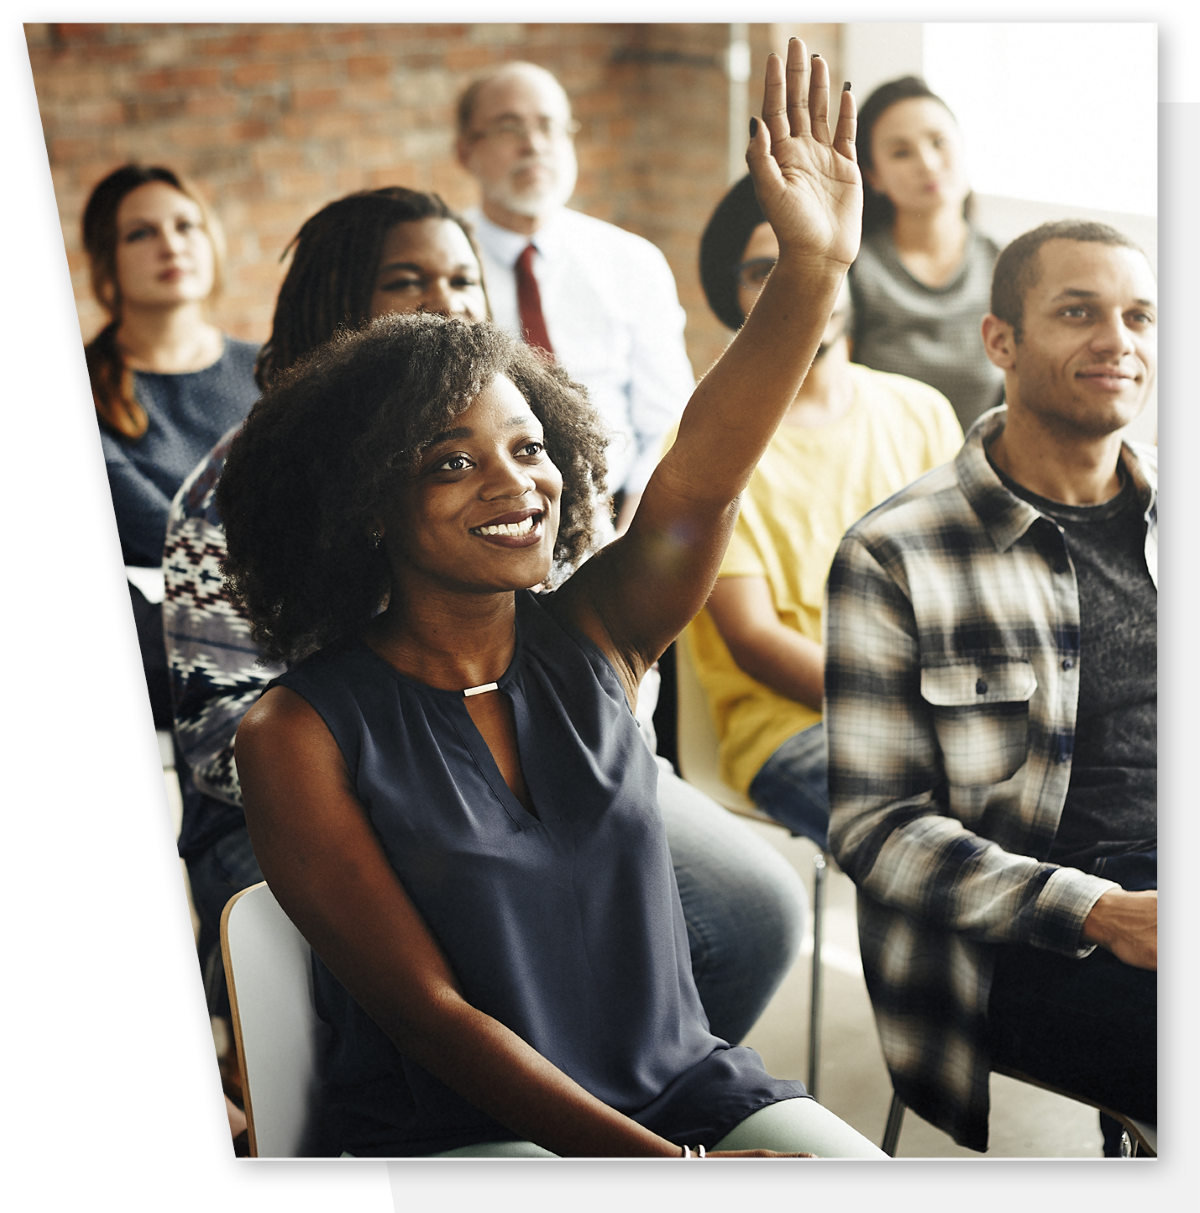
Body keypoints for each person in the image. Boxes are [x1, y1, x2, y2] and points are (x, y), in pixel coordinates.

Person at [221, 45, 885, 1158]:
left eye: (530, 448)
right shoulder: (295, 731)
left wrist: (812, 269)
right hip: (466, 1134)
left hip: (683, 1088)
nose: (516, 483)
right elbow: (433, 1019)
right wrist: (665, 1173)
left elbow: (702, 478)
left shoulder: (598, 630)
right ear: (365, 504)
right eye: (450, 461)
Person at [165, 187, 808, 1057]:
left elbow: (697, 488)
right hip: (331, 795)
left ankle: (615, 1065)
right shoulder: (245, 510)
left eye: (464, 277)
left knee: (741, 912)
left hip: (526, 749)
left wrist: (816, 266)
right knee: (475, 951)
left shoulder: (571, 607)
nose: (445, 300)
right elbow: (219, 737)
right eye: (408, 281)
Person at [825, 219, 1157, 1154]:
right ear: (1000, 340)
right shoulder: (896, 552)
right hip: (1016, 940)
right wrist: (1101, 909)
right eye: (1078, 312)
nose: (1118, 341)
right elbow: (875, 828)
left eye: (1139, 316)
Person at [686, 175, 962, 849]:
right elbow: (754, 640)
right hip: (793, 730)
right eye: (765, 269)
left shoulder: (920, 409)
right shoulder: (707, 443)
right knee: (953, 848)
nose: (798, 282)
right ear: (734, 295)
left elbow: (968, 581)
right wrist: (908, 709)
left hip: (939, 709)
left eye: (814, 260)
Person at [455, 60, 695, 535]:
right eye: (509, 127)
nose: (534, 144)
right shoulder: (443, 264)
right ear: (466, 151)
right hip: (485, 520)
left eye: (549, 126)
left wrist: (634, 531)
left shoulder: (632, 261)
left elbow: (669, 422)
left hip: (616, 518)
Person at [85, 164, 260, 730]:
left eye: (186, 225)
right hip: (169, 662)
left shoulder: (273, 370)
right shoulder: (97, 386)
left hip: (294, 637)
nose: (171, 244)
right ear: (106, 258)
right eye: (142, 233)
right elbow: (164, 536)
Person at [848, 77, 1004, 434]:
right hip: (881, 474)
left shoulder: (1005, 267)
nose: (929, 164)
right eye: (901, 152)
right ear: (873, 175)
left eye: (939, 142)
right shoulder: (854, 269)